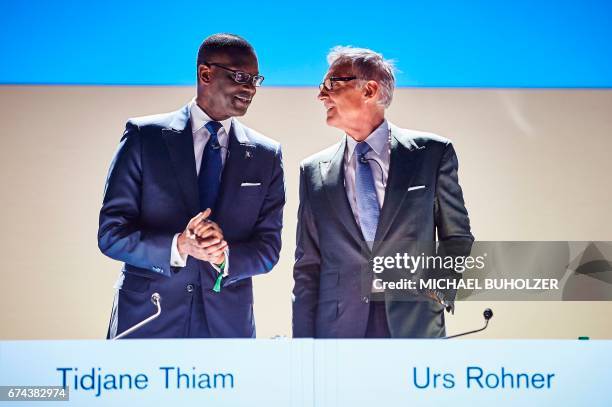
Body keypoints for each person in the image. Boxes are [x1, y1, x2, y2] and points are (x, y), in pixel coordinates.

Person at [98, 33, 285, 338]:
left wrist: (222, 256)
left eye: (255, 79)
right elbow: (111, 235)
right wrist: (180, 245)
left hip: (226, 329)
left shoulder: (266, 154)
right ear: (205, 74)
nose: (250, 88)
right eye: (240, 76)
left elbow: (268, 249)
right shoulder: (145, 138)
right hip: (147, 321)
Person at [292, 46, 473, 338]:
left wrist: (440, 289)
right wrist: (302, 344)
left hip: (414, 325)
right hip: (338, 331)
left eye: (331, 84)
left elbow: (457, 237)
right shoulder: (313, 171)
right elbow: (307, 267)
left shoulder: (432, 154)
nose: (321, 95)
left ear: (370, 89)